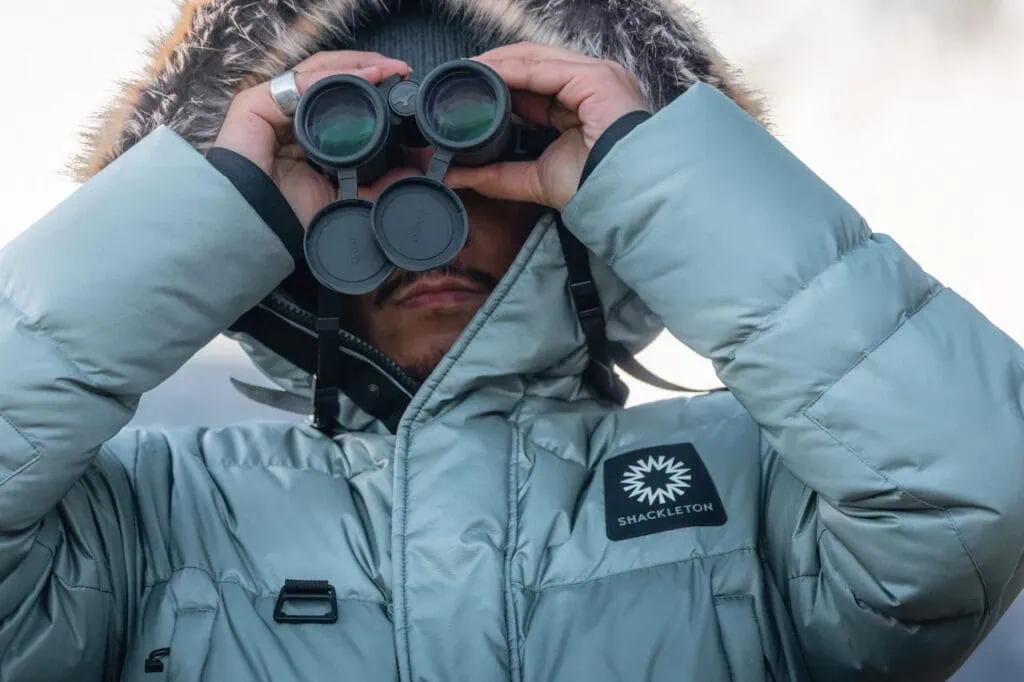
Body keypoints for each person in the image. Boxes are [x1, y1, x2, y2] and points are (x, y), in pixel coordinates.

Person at [1, 0, 1022, 680]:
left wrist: (644, 167)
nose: (419, 202)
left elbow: (973, 485)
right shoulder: (149, 519)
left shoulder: (755, 487)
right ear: (293, 237)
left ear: (570, 210)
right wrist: (219, 207)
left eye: (475, 145)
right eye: (360, 160)